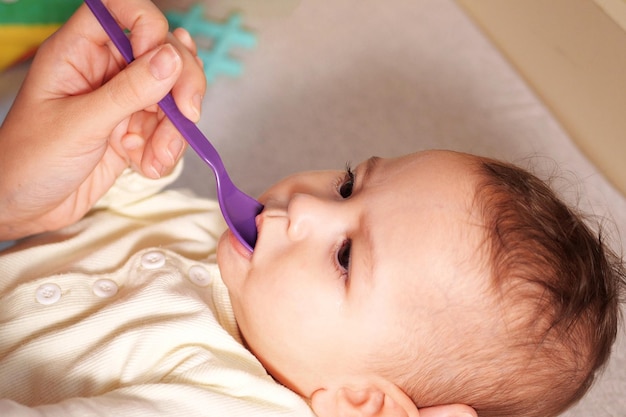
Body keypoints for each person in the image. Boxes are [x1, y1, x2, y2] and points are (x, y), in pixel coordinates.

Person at [0, 1, 624, 417]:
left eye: (347, 257)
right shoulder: (229, 253)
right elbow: (116, 216)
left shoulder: (221, 404)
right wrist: (118, 146)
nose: (305, 207)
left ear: (362, 403)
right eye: (350, 185)